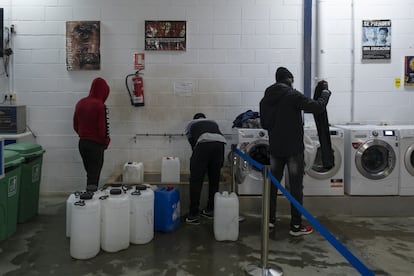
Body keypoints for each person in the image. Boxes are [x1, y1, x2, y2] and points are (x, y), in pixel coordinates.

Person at [259, 67, 331, 237]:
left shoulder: (266, 98)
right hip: (293, 149)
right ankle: (296, 226)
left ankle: (269, 221)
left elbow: (264, 124)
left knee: (273, 186)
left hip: (275, 148)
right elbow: (317, 107)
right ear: (289, 79)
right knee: (295, 187)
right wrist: (326, 93)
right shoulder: (292, 95)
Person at [184, 113, 227, 225]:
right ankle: (210, 210)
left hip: (203, 145)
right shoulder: (213, 122)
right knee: (214, 180)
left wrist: (198, 166)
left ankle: (193, 214)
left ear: (195, 119)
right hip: (220, 145)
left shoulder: (190, 125)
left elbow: (194, 145)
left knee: (196, 180)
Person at [73, 77, 111, 192]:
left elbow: (75, 125)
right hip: (95, 145)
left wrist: (84, 135)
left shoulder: (80, 103)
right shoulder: (99, 106)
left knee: (90, 174)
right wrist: (106, 141)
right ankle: (90, 203)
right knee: (94, 176)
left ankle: (90, 199)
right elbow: (102, 129)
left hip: (82, 144)